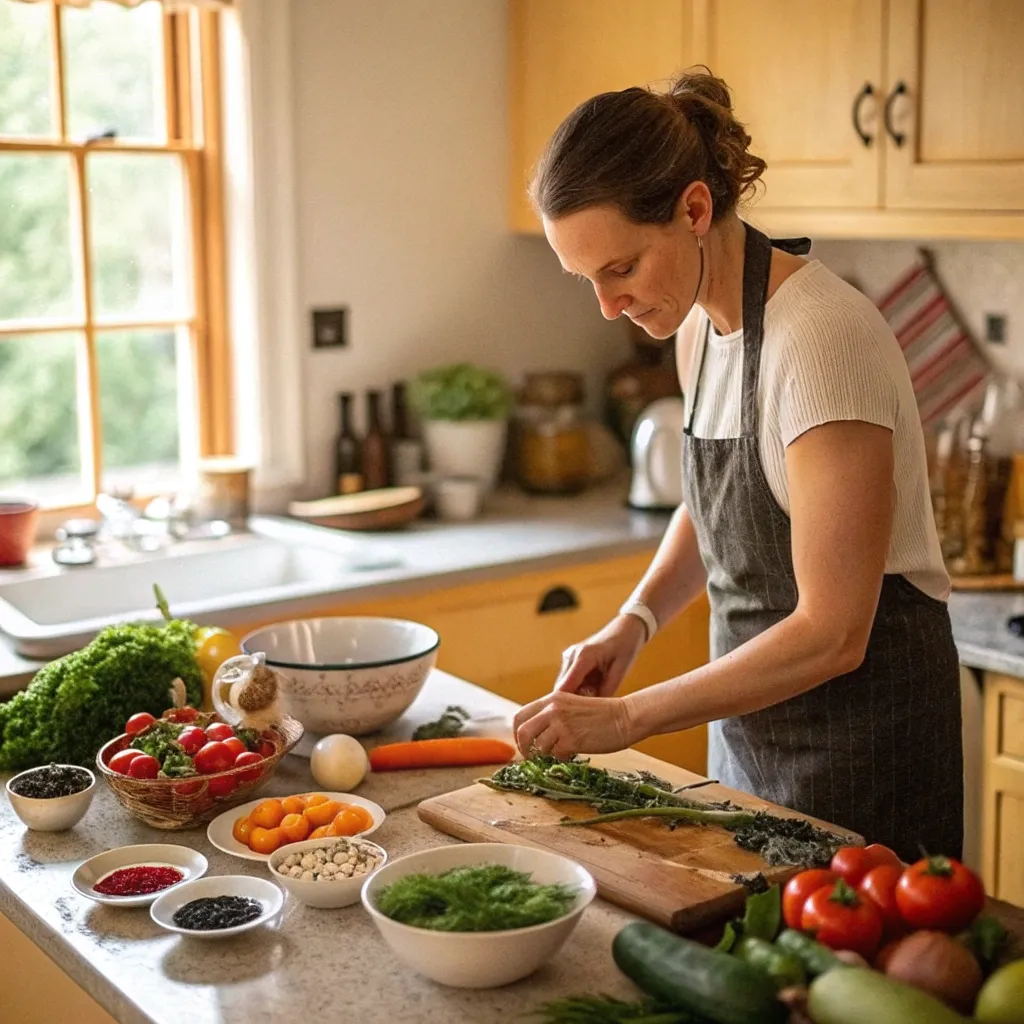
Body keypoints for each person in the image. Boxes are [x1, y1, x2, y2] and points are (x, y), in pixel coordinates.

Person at [512, 68, 963, 861]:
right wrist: (636, 622)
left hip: (864, 748)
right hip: (751, 744)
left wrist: (626, 719)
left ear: (694, 209)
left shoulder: (822, 339)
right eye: (586, 279)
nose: (608, 307)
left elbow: (834, 632)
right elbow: (714, 504)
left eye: (620, 269)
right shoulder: (697, 329)